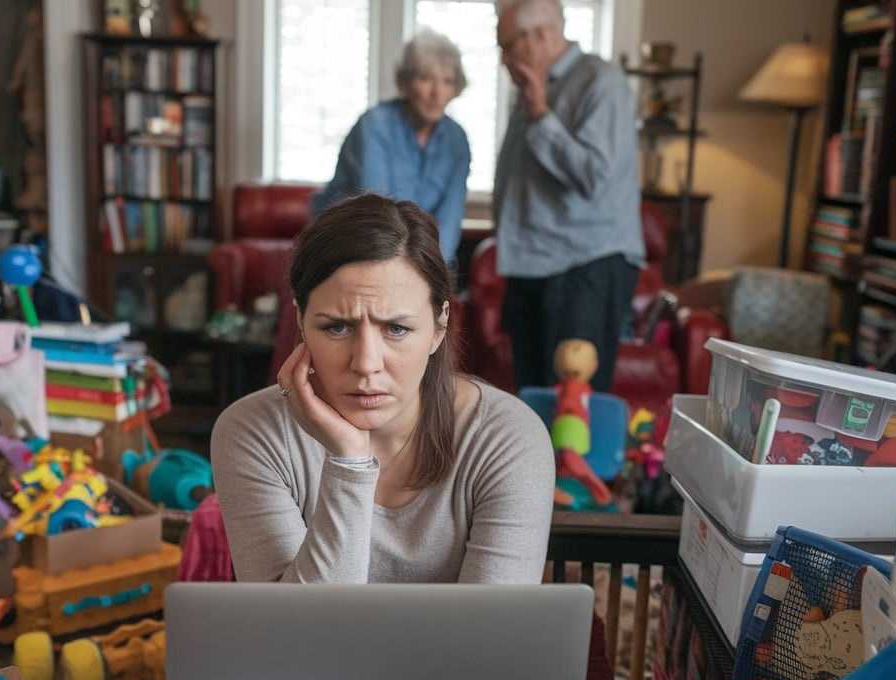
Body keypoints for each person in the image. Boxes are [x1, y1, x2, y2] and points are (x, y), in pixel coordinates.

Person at [211, 194, 554, 583]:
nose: (366, 363)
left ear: (439, 325)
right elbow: (292, 621)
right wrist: (349, 462)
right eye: (337, 327)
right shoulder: (251, 431)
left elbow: (496, 624)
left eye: (397, 329)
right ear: (301, 320)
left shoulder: (507, 437)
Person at [494, 0, 643, 393]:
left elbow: (594, 175)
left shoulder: (601, 82)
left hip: (583, 267)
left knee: (571, 406)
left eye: (508, 46)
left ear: (542, 35)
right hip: (533, 263)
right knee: (531, 404)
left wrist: (541, 115)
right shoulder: (534, 86)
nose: (504, 59)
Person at [312, 30, 472, 265]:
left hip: (412, 257)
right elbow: (379, 216)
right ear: (405, 82)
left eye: (447, 81)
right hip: (346, 246)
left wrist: (430, 272)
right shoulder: (374, 126)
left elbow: (449, 223)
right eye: (425, 79)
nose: (437, 93)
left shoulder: (457, 140)